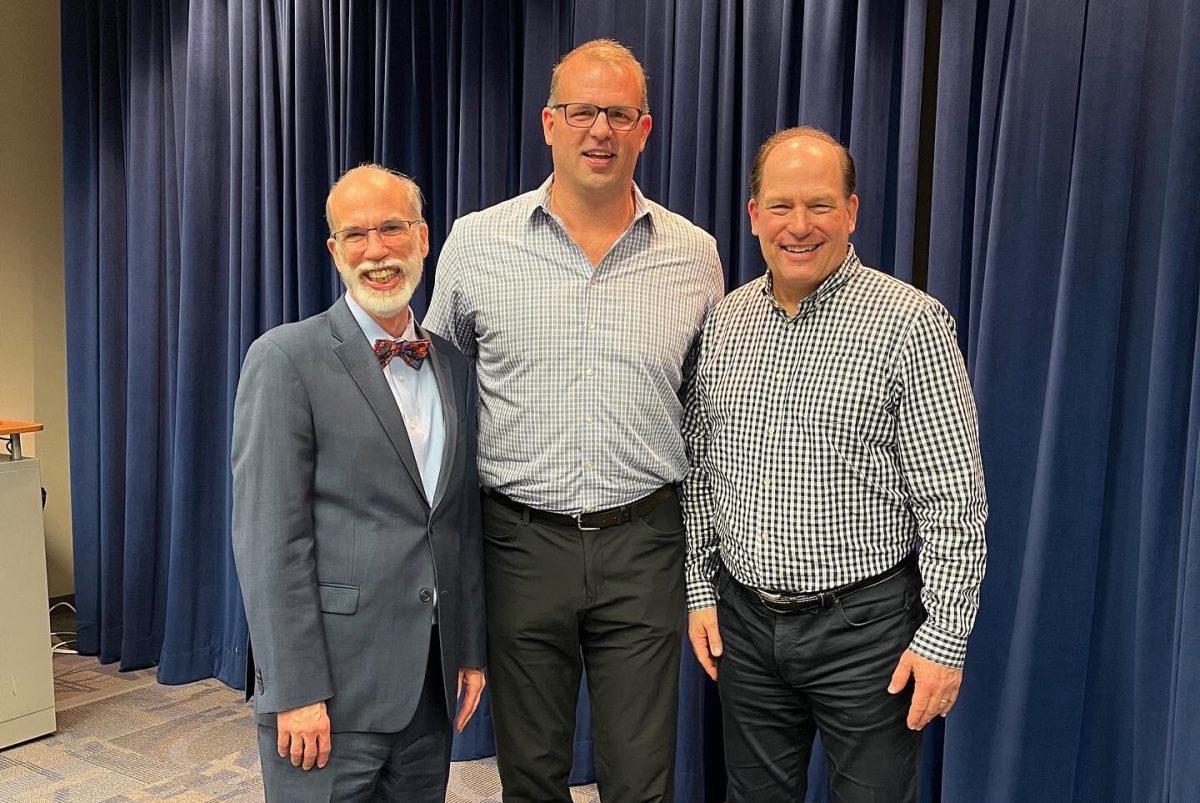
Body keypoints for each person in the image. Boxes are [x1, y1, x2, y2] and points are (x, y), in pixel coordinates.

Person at [424, 38, 723, 803]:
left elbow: (705, 411)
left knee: (639, 778)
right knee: (530, 774)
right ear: (548, 122)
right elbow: (436, 397)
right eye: (582, 111)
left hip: (645, 545)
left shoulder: (695, 256)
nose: (600, 130)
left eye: (618, 113)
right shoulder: (476, 242)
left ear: (644, 128)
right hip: (519, 543)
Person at [682, 127, 988, 802]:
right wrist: (699, 588)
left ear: (851, 211)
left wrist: (945, 638)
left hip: (868, 633)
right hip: (746, 627)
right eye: (781, 206)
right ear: (754, 213)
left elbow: (952, 502)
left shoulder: (911, 324)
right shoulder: (724, 323)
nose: (799, 225)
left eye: (819, 205)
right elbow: (701, 471)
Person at [232, 165, 486, 802]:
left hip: (428, 689)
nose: (376, 251)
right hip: (328, 696)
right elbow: (270, 541)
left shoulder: (452, 365)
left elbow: (458, 522)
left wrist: (470, 649)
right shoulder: (285, 358)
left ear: (423, 239)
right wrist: (294, 691)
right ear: (334, 251)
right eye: (355, 235)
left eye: (392, 229)